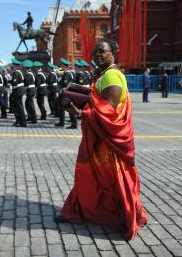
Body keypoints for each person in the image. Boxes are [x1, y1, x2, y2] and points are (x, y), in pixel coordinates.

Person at [57, 38, 148, 241]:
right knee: (96, 178)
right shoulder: (104, 74)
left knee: (111, 179)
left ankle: (124, 215)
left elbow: (108, 112)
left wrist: (78, 112)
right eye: (95, 52)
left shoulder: (113, 75)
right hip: (100, 138)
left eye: (102, 51)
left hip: (108, 142)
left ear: (113, 52)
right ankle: (86, 209)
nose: (98, 55)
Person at [56, 58, 77, 129]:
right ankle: (61, 122)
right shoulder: (65, 73)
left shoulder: (67, 74)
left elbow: (67, 84)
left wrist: (63, 90)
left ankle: (74, 124)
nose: (60, 66)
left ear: (64, 66)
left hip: (67, 93)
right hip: (66, 92)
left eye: (61, 65)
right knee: (62, 107)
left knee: (69, 108)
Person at [11, 59, 26, 127]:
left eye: (13, 65)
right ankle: (19, 121)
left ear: (15, 66)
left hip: (17, 90)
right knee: (18, 106)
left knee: (19, 107)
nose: (12, 66)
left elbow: (15, 82)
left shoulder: (15, 73)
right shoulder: (21, 72)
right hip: (20, 90)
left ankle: (22, 122)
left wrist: (10, 82)